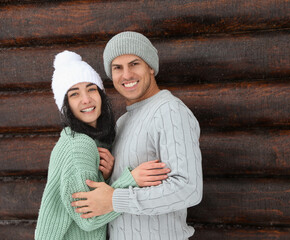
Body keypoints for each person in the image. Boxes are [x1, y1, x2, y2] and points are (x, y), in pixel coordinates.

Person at [71, 31, 203, 239]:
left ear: (150, 67)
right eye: (117, 68)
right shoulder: (123, 122)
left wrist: (115, 199)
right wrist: (113, 175)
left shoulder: (169, 111)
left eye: (134, 64)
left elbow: (188, 188)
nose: (126, 75)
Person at [35, 50, 169, 240]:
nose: (86, 99)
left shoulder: (82, 140)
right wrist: (131, 180)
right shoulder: (79, 146)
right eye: (74, 94)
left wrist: (106, 177)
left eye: (91, 89)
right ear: (66, 106)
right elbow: (88, 218)